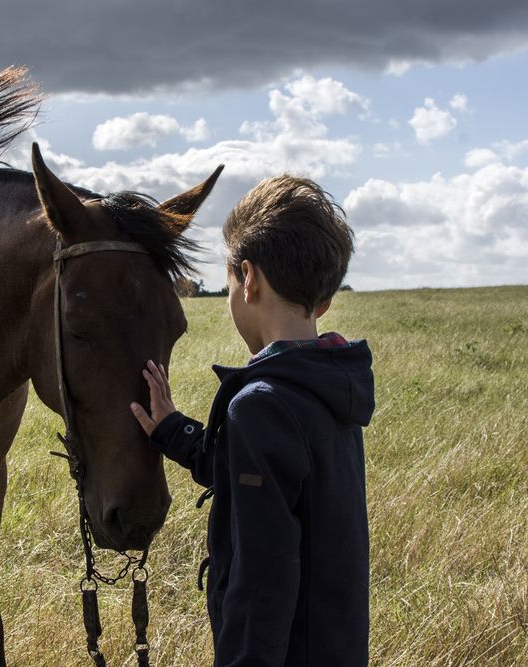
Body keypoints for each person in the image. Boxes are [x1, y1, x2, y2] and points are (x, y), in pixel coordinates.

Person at [130, 175, 375, 666]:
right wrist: (174, 429)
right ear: (323, 300)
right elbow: (256, 473)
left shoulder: (261, 406)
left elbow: (262, 581)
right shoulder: (328, 381)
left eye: (228, 283)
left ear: (248, 278)